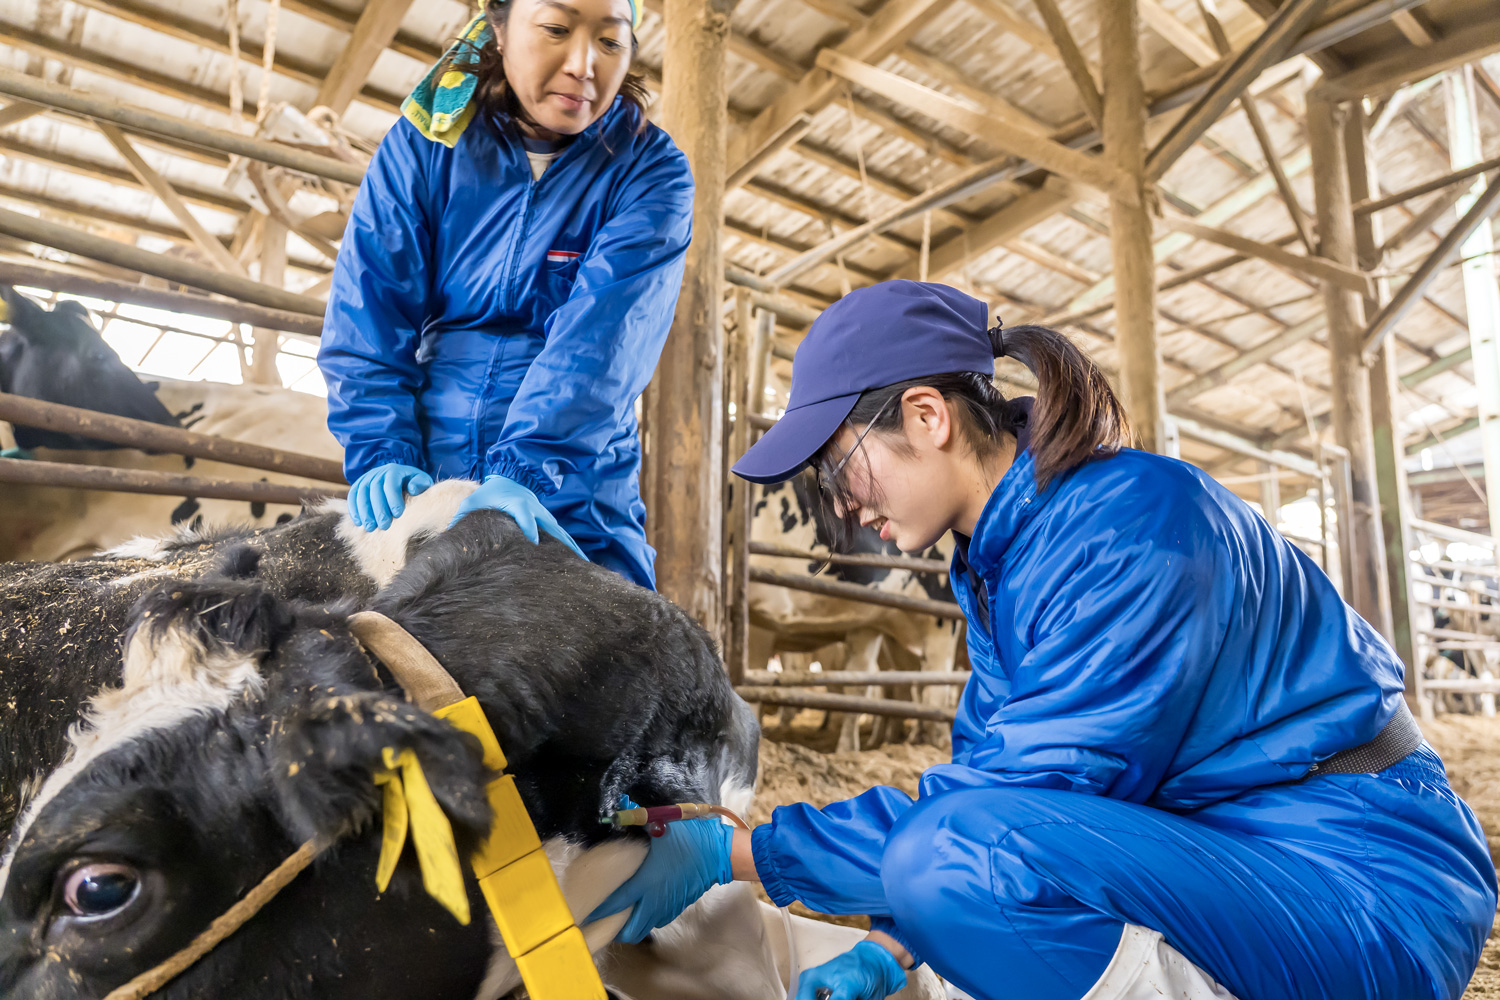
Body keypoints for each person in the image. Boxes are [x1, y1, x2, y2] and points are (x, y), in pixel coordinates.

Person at [587, 281, 1498, 1000]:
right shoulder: (1002, 564)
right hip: (1247, 865)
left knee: (947, 857)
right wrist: (895, 949)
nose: (843, 507)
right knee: (946, 861)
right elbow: (1001, 795)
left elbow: (1008, 811)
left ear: (927, 416)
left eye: (837, 467)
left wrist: (734, 852)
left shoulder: (1133, 525)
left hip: (1362, 886)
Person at [318, 0, 692, 588]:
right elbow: (368, 309)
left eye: (610, 41)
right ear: (498, 27)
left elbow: (602, 345)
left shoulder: (650, 170)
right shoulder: (425, 143)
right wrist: (383, 449)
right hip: (425, 477)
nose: (583, 64)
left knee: (621, 657)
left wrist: (527, 469)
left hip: (571, 481)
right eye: (556, 29)